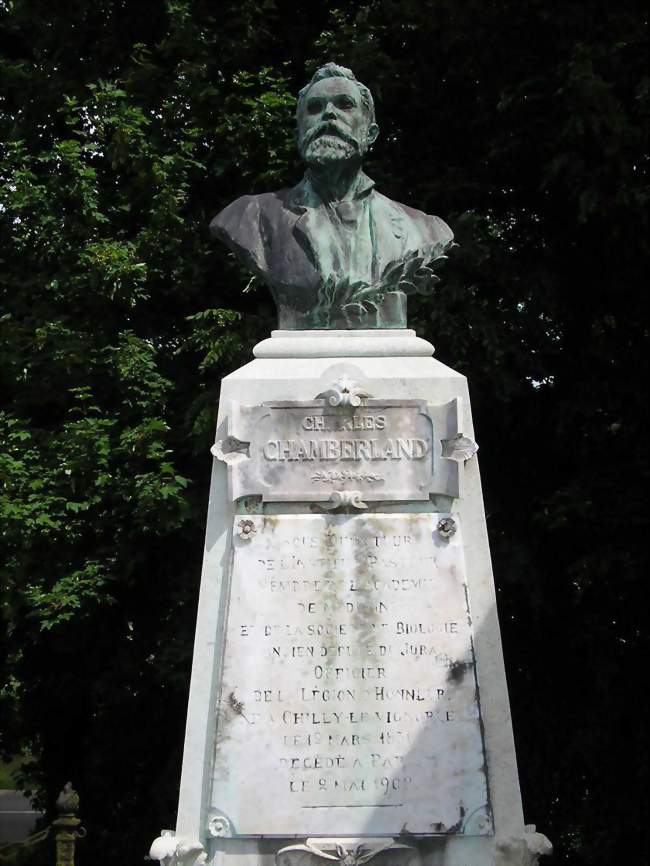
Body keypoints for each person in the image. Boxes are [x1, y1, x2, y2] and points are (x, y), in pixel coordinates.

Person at [211, 63, 454, 329]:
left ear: (370, 132)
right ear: (299, 132)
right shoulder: (252, 216)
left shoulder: (423, 229)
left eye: (344, 105)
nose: (328, 114)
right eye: (314, 108)